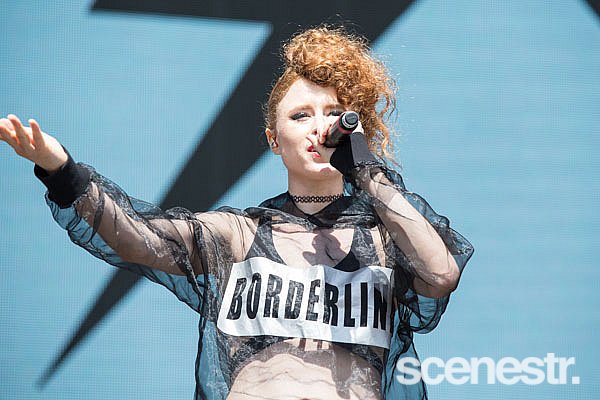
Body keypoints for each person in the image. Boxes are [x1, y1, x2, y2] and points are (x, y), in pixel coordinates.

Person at [0, 25, 473, 400]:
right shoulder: (239, 234)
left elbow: (440, 275)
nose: (318, 128)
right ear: (273, 139)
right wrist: (61, 169)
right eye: (300, 115)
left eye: (332, 114)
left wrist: (367, 173)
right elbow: (135, 237)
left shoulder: (387, 238)